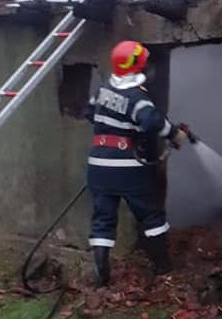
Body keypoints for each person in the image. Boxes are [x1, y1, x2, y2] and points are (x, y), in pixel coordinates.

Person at [85, 40, 188, 286]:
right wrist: (175, 134)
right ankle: (162, 266)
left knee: (102, 218)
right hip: (127, 167)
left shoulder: (101, 90)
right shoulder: (137, 97)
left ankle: (101, 276)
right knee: (150, 213)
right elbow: (151, 122)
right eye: (145, 63)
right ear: (138, 66)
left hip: (98, 165)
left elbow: (89, 114)